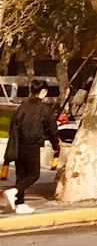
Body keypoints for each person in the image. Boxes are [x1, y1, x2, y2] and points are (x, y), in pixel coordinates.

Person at [5, 84, 59, 214]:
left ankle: (20, 203)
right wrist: (55, 144)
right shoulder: (44, 109)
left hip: (18, 144)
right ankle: (14, 191)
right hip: (32, 144)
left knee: (21, 174)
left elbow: (13, 125)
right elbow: (51, 129)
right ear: (43, 92)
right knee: (34, 174)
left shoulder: (22, 106)